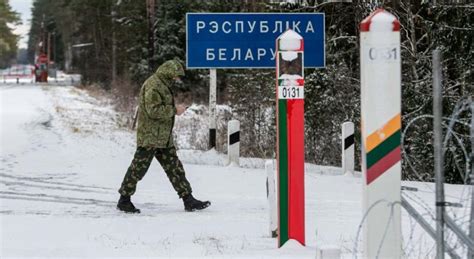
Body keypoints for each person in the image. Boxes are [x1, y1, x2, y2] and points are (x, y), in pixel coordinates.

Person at [117, 59, 210, 213]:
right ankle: (124, 199)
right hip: (150, 137)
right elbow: (153, 111)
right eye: (175, 76)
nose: (177, 79)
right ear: (168, 73)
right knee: (138, 169)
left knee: (175, 168)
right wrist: (175, 110)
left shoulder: (163, 84)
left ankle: (188, 199)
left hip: (163, 137)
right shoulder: (154, 85)